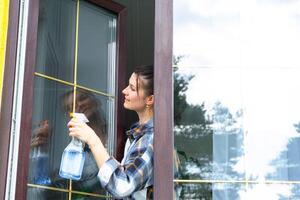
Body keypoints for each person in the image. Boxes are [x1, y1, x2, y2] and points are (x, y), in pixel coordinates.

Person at [68, 65, 154, 199]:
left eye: (132, 88)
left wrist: (92, 139)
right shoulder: (137, 135)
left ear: (150, 99)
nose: (124, 91)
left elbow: (122, 185)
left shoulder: (150, 139)